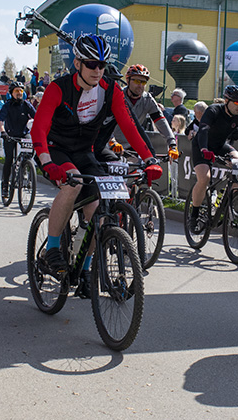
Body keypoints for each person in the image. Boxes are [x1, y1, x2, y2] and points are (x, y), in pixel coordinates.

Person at [30, 34, 162, 296]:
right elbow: (39, 128)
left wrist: (149, 159)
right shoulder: (59, 88)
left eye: (102, 65)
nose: (97, 70)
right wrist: (46, 162)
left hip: (85, 151)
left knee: (98, 212)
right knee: (74, 184)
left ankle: (86, 268)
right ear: (77, 63)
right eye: (91, 64)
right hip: (55, 149)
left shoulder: (110, 89)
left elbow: (129, 125)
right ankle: (52, 249)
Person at [187, 85, 238, 234]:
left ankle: (226, 204)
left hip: (220, 146)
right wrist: (204, 149)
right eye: (237, 103)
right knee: (205, 178)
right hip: (202, 146)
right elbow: (204, 130)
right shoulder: (213, 110)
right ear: (226, 101)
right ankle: (194, 214)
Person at [95, 64, 178, 162]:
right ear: (128, 81)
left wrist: (172, 144)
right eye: (137, 81)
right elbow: (104, 121)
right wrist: (111, 140)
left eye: (144, 82)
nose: (140, 85)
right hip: (111, 145)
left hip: (133, 146)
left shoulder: (147, 99)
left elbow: (161, 122)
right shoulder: (118, 95)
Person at [0, 81, 36, 199]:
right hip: (10, 135)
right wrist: (3, 132)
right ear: (11, 93)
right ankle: (5, 185)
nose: (19, 93)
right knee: (9, 159)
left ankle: (26, 170)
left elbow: (37, 117)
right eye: (16, 91)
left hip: (23, 134)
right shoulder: (7, 105)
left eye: (21, 90)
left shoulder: (27, 104)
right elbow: (0, 121)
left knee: (29, 153)